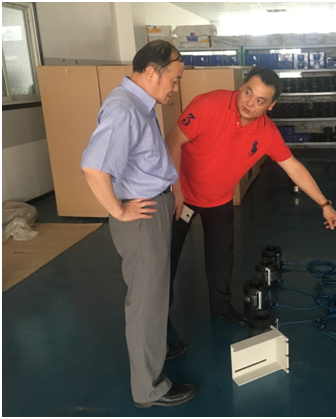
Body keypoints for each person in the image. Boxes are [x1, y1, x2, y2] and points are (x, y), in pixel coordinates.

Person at [166, 66, 336, 327]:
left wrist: (325, 204)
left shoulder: (266, 133)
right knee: (167, 256)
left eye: (260, 101)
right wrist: (175, 189)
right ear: (242, 87)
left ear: (271, 105)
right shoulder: (209, 105)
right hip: (182, 194)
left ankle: (220, 308)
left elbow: (293, 167)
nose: (249, 103)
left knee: (222, 256)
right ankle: (159, 314)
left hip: (219, 199)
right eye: (248, 93)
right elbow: (173, 140)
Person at [81, 40, 196, 408]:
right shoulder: (123, 109)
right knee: (146, 300)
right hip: (142, 217)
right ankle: (149, 389)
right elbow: (94, 167)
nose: (175, 88)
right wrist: (119, 211)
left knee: (155, 291)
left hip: (155, 207)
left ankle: (155, 349)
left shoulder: (140, 105)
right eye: (173, 79)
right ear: (150, 72)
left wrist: (172, 191)